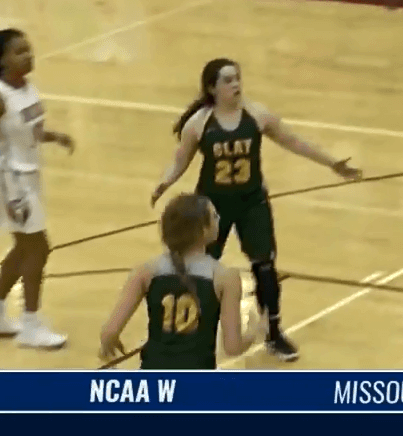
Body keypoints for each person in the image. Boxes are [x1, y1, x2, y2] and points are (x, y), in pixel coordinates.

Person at [151, 58, 363, 361]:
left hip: (252, 202)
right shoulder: (198, 123)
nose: (235, 84)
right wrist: (164, 182)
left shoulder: (257, 114)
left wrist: (332, 163)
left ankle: (273, 333)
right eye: (227, 80)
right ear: (212, 87)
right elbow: (181, 159)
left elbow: (294, 141)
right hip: (212, 207)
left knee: (264, 267)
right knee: (200, 268)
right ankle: (190, 331)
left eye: (237, 78)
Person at [99, 192, 268, 369]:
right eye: (214, 216)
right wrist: (255, 331)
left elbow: (109, 332)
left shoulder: (145, 271)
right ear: (203, 230)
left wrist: (108, 349)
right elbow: (233, 348)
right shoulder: (226, 277)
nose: (219, 218)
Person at [0, 29, 74, 349]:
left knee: (24, 247)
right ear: (1, 60)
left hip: (28, 174)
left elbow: (31, 132)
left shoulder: (28, 89)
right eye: (19, 52)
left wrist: (55, 137)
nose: (28, 55)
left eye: (29, 49)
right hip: (11, 179)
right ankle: (31, 324)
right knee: (38, 248)